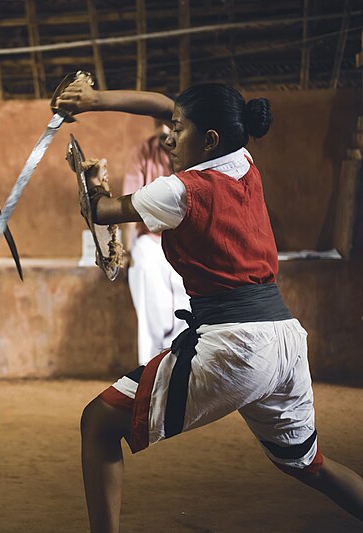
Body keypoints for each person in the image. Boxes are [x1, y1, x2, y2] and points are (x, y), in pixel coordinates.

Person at [56, 81, 363, 532]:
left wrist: (89, 181)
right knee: (309, 464)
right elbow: (167, 105)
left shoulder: (180, 190)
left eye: (178, 130)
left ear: (210, 139)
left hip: (235, 347)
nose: (168, 137)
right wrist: (95, 101)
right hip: (283, 340)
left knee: (99, 423)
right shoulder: (242, 163)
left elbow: (101, 211)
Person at [122, 119, 189, 365]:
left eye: (169, 125)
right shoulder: (143, 152)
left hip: (186, 241)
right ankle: (149, 367)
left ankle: (182, 366)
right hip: (151, 240)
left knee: (186, 303)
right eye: (158, 124)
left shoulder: (191, 152)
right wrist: (126, 249)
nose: (163, 132)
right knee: (145, 273)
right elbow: (128, 204)